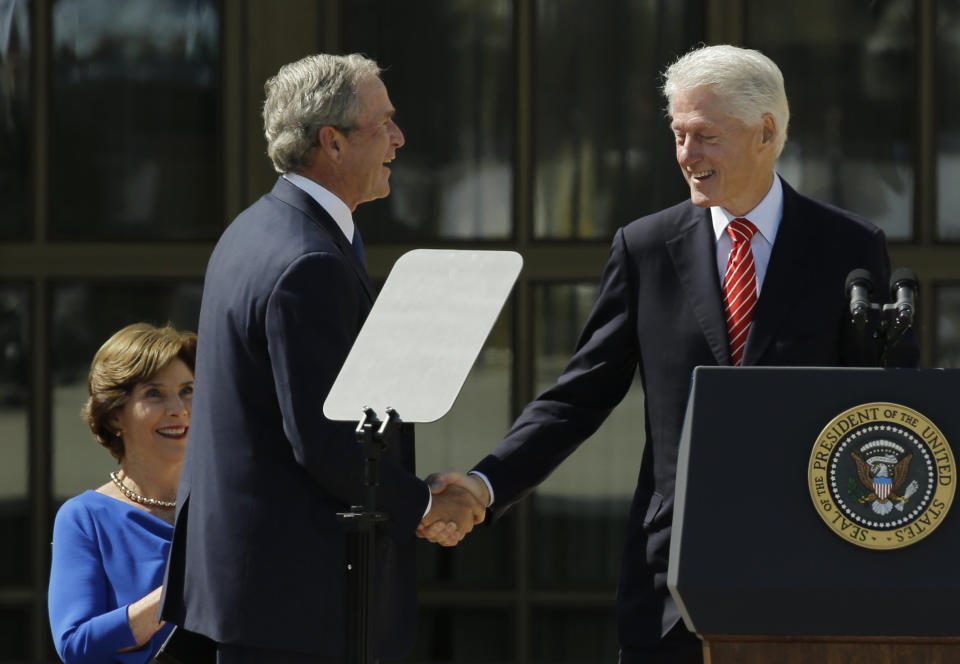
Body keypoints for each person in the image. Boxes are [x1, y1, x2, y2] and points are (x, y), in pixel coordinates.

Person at [422, 44, 919, 663]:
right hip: (673, 579)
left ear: (766, 133)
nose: (687, 156)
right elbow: (580, 394)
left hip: (809, 567)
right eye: (679, 135)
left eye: (705, 136)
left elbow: (890, 400)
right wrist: (484, 483)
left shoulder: (848, 246)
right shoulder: (646, 247)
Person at [159, 53, 483, 663]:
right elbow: (325, 441)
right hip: (296, 603)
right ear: (330, 142)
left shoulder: (258, 228)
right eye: (382, 123)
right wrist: (424, 503)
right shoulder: (308, 259)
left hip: (255, 591)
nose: (399, 138)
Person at [48, 322, 197, 664]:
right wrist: (180, 593)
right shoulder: (84, 518)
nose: (179, 408)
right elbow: (75, 644)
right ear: (116, 416)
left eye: (188, 390)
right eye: (154, 394)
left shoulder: (224, 506)